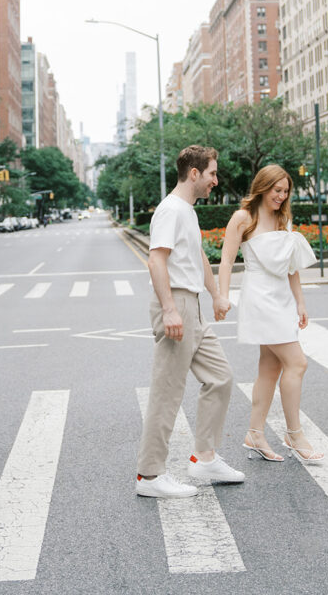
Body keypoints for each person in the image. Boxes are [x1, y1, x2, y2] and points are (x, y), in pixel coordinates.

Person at [136, 145, 245, 498]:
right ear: (194, 173)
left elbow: (196, 256)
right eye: (212, 173)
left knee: (221, 377)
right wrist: (169, 310)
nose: (217, 180)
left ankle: (205, 457)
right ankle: (150, 477)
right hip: (177, 304)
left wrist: (215, 295)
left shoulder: (188, 211)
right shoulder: (170, 210)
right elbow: (156, 261)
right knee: (167, 393)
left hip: (192, 304)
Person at [217, 164, 323, 464]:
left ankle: (255, 433)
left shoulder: (283, 218)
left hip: (282, 298)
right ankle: (294, 433)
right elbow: (226, 262)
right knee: (297, 363)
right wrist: (223, 297)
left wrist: (300, 303)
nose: (281, 196)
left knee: (270, 368)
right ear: (262, 187)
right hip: (259, 298)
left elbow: (291, 268)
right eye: (277, 190)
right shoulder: (242, 218)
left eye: (286, 191)